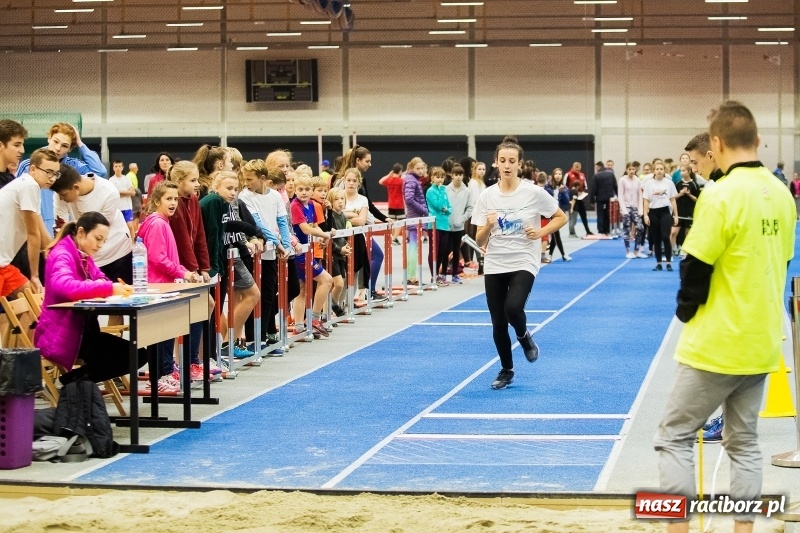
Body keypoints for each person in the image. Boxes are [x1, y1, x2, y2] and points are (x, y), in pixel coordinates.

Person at [654, 100, 796, 533]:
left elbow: (693, 268)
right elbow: (783, 257)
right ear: (757, 140)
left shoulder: (720, 194)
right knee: (745, 444)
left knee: (673, 436)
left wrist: (685, 312)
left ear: (715, 143)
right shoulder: (783, 195)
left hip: (718, 342)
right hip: (763, 341)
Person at [473, 136, 567, 390]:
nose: (507, 165)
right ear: (496, 163)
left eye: (512, 161)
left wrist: (541, 231)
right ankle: (506, 369)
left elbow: (561, 216)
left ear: (519, 164)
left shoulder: (533, 192)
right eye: (502, 160)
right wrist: (490, 225)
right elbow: (478, 237)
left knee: (513, 308)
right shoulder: (487, 196)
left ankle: (524, 336)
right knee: (498, 322)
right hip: (495, 262)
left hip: (523, 260)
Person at [34, 212, 147, 384]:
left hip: (81, 332)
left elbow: (101, 277)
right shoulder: (62, 254)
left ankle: (73, 384)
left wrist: (107, 285)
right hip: (62, 336)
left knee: (138, 354)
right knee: (133, 355)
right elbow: (63, 286)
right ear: (81, 232)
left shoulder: (83, 255)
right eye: (98, 238)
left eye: (104, 241)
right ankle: (72, 385)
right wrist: (108, 288)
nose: (100, 245)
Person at [139, 181, 199, 393]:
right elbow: (157, 258)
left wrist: (183, 271)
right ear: (156, 201)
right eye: (168, 199)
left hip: (165, 285)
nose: (173, 203)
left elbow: (167, 256)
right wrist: (182, 272)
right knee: (160, 335)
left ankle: (163, 373)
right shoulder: (157, 224)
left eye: (175, 199)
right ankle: (158, 376)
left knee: (165, 334)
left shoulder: (163, 222)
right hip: (158, 286)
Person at [16, 123, 107, 236]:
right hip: (36, 225)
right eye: (56, 141)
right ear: (49, 138)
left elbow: (100, 171)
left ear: (70, 149)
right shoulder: (29, 165)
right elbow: (16, 195)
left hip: (62, 226)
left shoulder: (73, 166)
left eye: (65, 146)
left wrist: (80, 144)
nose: (58, 148)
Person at [51, 166, 134, 285]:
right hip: (88, 256)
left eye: (64, 195)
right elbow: (61, 226)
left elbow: (98, 231)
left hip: (117, 252)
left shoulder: (109, 191)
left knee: (121, 297)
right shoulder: (61, 193)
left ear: (76, 187)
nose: (62, 198)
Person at [0, 148, 59, 295]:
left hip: (4, 265)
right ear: (33, 169)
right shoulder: (29, 185)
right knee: (34, 297)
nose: (52, 178)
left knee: (36, 302)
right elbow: (33, 234)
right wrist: (35, 275)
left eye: (56, 174)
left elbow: (38, 231)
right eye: (48, 172)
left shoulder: (27, 185)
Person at [291, 173, 334, 338]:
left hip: (308, 250)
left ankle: (300, 325)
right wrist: (324, 236)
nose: (304, 192)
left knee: (302, 288)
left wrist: (323, 237)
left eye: (307, 189)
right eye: (300, 189)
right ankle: (315, 319)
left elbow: (315, 225)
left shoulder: (311, 205)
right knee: (326, 280)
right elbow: (305, 229)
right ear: (295, 190)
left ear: (312, 191)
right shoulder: (295, 205)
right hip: (299, 253)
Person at [643, 162, 678, 271]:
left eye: (661, 169)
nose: (659, 171)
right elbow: (646, 200)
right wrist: (645, 215)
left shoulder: (669, 183)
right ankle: (658, 263)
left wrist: (676, 215)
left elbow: (673, 200)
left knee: (665, 236)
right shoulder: (649, 184)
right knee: (656, 238)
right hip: (653, 212)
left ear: (664, 170)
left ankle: (668, 262)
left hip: (665, 212)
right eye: (657, 169)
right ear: (654, 170)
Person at [445, 163, 474, 283]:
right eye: (456, 174)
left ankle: (455, 274)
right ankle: (442, 273)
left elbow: (470, 208)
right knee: (445, 249)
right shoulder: (445, 189)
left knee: (457, 250)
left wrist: (462, 219)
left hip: (459, 226)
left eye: (460, 175)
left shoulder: (467, 191)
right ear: (452, 175)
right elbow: (443, 205)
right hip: (446, 226)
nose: (458, 177)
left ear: (463, 176)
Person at [426, 166, 452, 286]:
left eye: (442, 177)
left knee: (442, 251)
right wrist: (441, 192)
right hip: (434, 224)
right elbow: (438, 205)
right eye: (437, 177)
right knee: (434, 251)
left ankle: (438, 274)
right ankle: (434, 276)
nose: (440, 179)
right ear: (432, 178)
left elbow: (449, 208)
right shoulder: (431, 191)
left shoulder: (444, 191)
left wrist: (446, 210)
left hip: (444, 224)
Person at [670, 164, 700, 257]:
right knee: (673, 232)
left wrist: (689, 194)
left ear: (689, 172)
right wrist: (681, 194)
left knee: (688, 234)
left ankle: (686, 253)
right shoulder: (678, 183)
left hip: (689, 212)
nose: (682, 173)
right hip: (678, 212)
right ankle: (669, 252)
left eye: (684, 171)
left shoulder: (694, 184)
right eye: (681, 171)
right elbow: (672, 197)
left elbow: (697, 199)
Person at [618, 163, 646, 259]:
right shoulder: (622, 180)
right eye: (629, 169)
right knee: (626, 229)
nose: (631, 171)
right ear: (626, 170)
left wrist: (640, 209)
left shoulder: (637, 180)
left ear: (635, 170)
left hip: (635, 207)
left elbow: (640, 195)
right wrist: (623, 209)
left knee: (640, 228)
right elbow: (620, 195)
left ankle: (637, 250)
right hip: (626, 207)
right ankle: (628, 250)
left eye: (633, 169)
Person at [546, 168, 571, 261]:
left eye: (560, 174)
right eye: (556, 174)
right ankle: (563, 254)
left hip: (559, 213)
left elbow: (566, 201)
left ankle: (550, 255)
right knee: (556, 234)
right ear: (553, 175)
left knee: (555, 235)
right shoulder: (548, 186)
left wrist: (563, 192)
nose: (558, 176)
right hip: (550, 213)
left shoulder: (564, 187)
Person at [108, 160, 137, 239]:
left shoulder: (126, 179)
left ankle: (133, 243)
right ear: (113, 168)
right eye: (116, 166)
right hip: (117, 208)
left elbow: (133, 193)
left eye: (119, 166)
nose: (118, 168)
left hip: (127, 207)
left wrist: (121, 192)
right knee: (117, 229)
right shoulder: (111, 180)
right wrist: (126, 192)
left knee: (130, 226)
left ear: (122, 167)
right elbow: (114, 194)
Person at [379, 163, 405, 245]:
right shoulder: (401, 181)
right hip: (399, 204)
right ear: (400, 171)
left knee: (392, 221)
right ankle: (395, 238)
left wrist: (388, 175)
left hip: (391, 204)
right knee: (400, 221)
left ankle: (393, 237)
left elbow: (380, 181)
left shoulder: (389, 180)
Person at [590, 162, 617, 235]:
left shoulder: (596, 175)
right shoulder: (611, 174)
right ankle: (607, 229)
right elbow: (615, 186)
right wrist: (618, 196)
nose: (596, 169)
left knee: (600, 214)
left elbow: (593, 189)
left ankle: (601, 230)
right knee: (608, 213)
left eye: (596, 168)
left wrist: (592, 200)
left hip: (600, 198)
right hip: (610, 198)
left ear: (599, 167)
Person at [565, 162, 592, 236]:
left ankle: (588, 231)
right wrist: (571, 194)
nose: (577, 169)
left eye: (578, 167)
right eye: (576, 167)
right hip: (572, 199)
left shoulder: (582, 175)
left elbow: (585, 187)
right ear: (573, 167)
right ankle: (572, 232)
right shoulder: (568, 175)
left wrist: (582, 193)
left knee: (584, 215)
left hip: (580, 199)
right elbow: (565, 187)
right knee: (572, 217)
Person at [0, 119, 27, 188]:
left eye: (22, 145)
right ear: (0, 146)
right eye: (16, 145)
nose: (22, 150)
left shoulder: (11, 179)